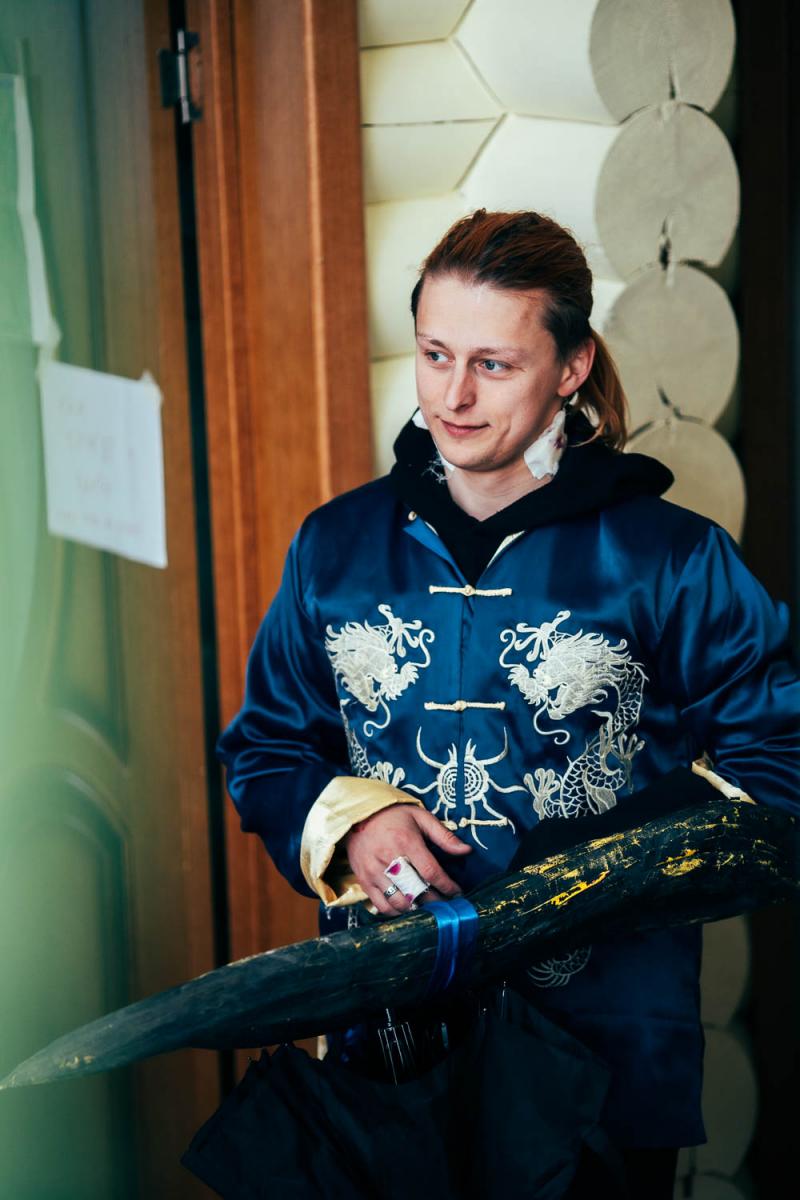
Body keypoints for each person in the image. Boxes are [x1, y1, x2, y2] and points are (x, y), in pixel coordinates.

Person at [218, 210, 799, 1197]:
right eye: (434, 354)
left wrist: (573, 869)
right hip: (384, 1045)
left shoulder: (671, 561)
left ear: (571, 367)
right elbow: (267, 747)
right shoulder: (334, 548)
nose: (452, 396)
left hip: (600, 1063)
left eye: (492, 364)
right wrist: (351, 826)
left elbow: (778, 767)